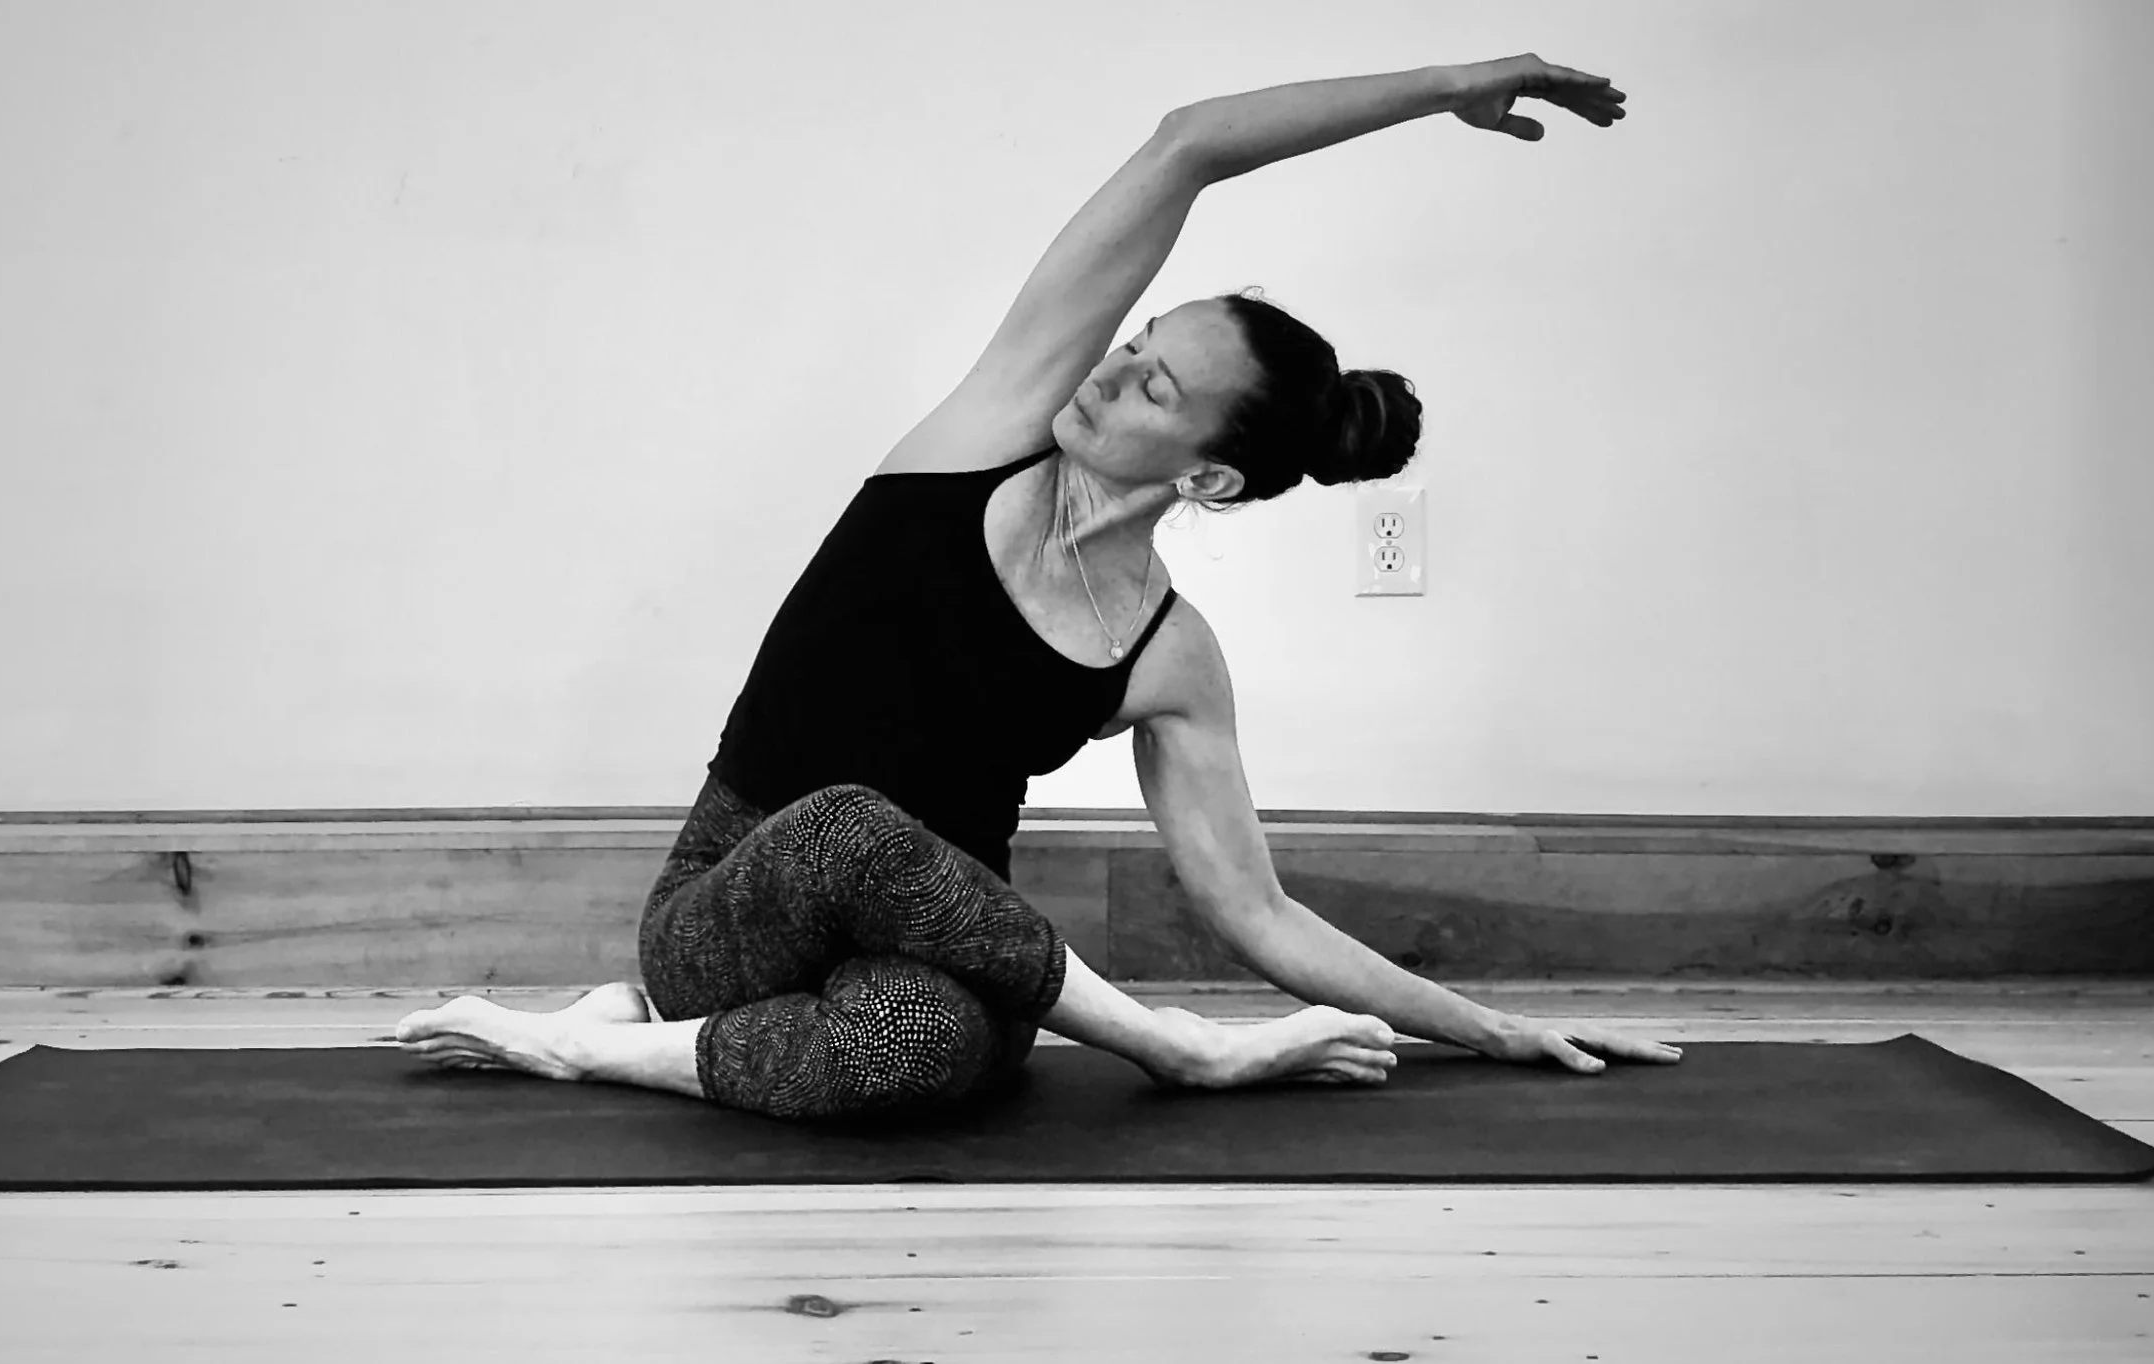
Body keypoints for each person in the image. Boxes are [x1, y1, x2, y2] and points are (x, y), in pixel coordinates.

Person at [397, 55, 1682, 1119]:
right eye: (1134, 343)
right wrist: (1443, 87)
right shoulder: (991, 425)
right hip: (736, 896)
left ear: (1214, 481)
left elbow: (1257, 908)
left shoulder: (1170, 656)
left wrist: (1489, 1025)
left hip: (939, 944)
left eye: (1155, 387)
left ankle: (600, 1042)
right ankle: (1165, 1040)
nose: (1111, 372)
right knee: (852, 822)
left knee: (932, 1048)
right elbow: (1186, 146)